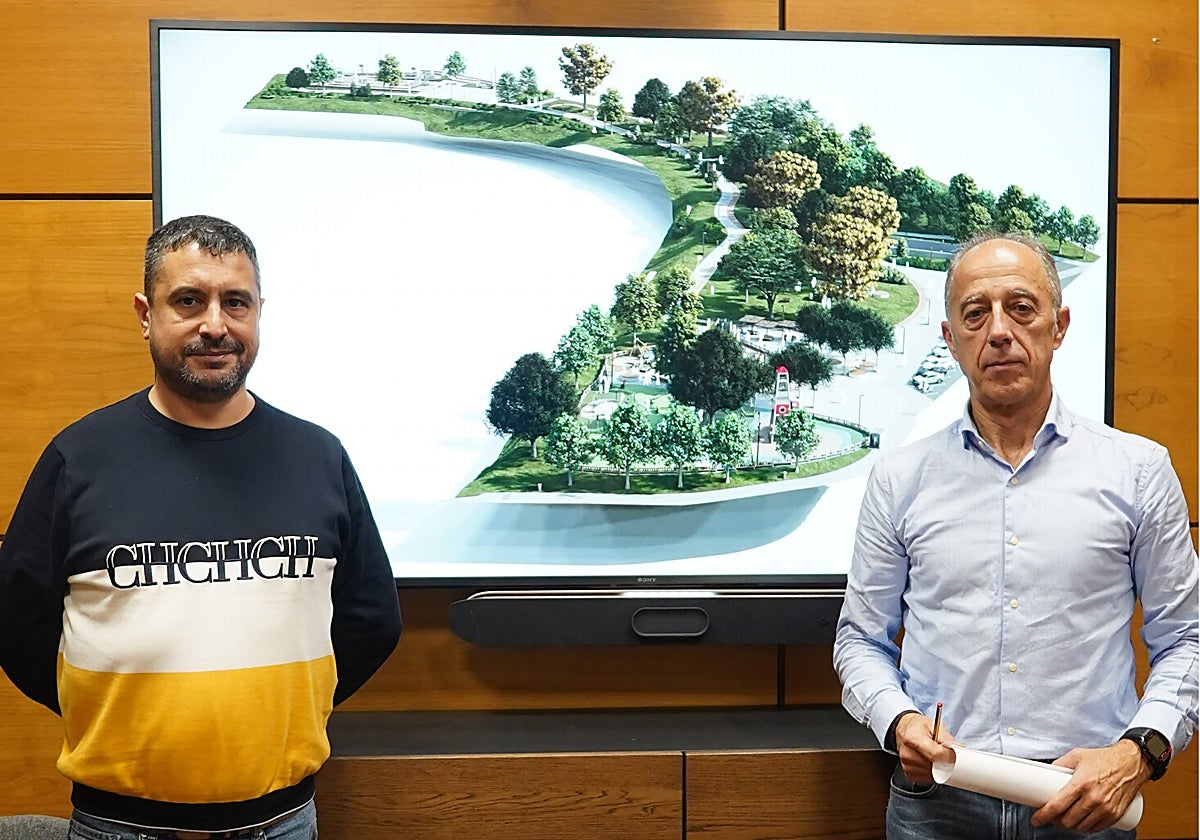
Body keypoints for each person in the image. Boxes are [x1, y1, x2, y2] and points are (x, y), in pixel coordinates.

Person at [0, 215, 402, 839]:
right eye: (188, 301)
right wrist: (121, 708)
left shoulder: (319, 458)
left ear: (259, 313)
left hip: (281, 823)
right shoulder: (77, 460)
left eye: (234, 302)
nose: (215, 324)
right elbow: (19, 630)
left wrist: (277, 710)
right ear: (145, 314)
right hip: (117, 827)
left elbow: (370, 620)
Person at [833, 231, 1197, 838]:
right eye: (975, 314)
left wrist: (1139, 752)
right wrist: (897, 722)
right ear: (949, 341)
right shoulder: (899, 478)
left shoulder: (1138, 471)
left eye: (1021, 308)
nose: (999, 331)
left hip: (1085, 805)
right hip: (937, 805)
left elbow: (1185, 638)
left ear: (1059, 326)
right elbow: (860, 641)